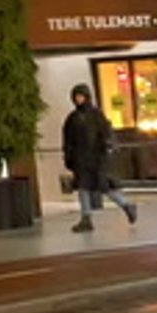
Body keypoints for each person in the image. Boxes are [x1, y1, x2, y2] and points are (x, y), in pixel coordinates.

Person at [61, 84, 139, 232]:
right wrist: (68, 156)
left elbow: (106, 132)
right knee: (83, 188)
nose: (78, 99)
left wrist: (107, 146)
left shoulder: (96, 115)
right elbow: (68, 140)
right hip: (81, 160)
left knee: (105, 187)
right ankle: (86, 218)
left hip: (97, 159)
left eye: (81, 96)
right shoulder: (72, 119)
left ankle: (127, 205)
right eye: (76, 97)